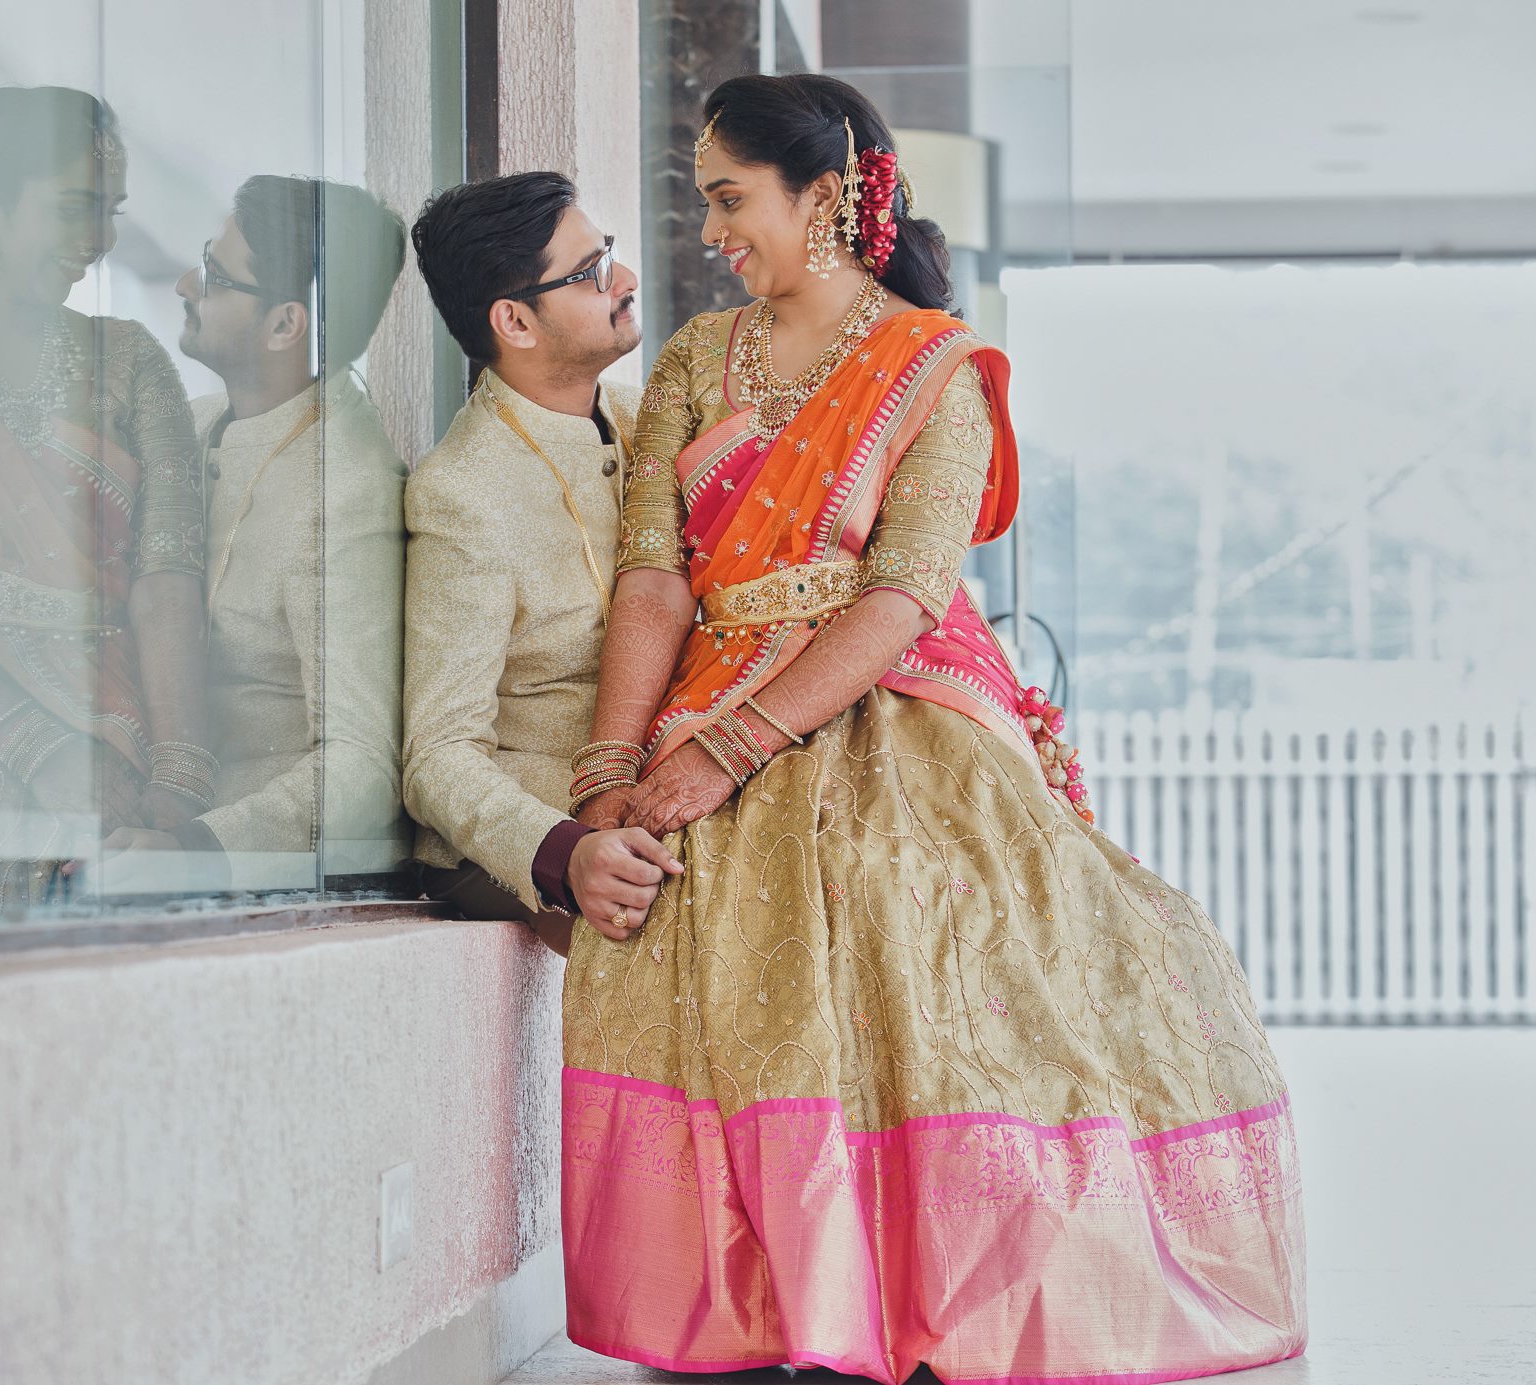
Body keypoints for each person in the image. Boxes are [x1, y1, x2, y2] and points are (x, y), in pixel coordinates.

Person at [560, 74, 1307, 1383]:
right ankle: (765, 1310)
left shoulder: (936, 369)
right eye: (704, 204)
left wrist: (730, 752)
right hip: (695, 701)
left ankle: (914, 1309)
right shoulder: (689, 360)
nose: (712, 232)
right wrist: (616, 767)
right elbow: (655, 577)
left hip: (885, 713)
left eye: (732, 201)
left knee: (940, 968)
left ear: (831, 197)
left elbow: (903, 596)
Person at [101, 175, 412, 891]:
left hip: (246, 881)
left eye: (213, 277)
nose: (185, 283)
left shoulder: (348, 492)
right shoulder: (195, 424)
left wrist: (194, 853)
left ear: (284, 326)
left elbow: (364, 764)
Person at [403, 173, 685, 958]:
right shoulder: (463, 491)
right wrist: (564, 852)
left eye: (611, 255)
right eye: (592, 273)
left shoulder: (647, 420)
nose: (624, 281)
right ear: (515, 322)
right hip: (563, 843)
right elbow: (437, 753)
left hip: (676, 798)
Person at [0, 87, 211, 915]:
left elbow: (168, 577)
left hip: (108, 771)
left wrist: (175, 783)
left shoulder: (129, 363)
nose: (98, 241)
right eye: (73, 208)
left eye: (112, 212)